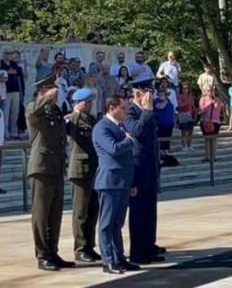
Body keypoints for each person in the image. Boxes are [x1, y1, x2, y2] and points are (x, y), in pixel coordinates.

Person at [25, 74, 74, 271]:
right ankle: (42, 254)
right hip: (41, 167)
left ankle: (53, 251)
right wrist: (44, 97)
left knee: (55, 213)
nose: (56, 92)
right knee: (41, 213)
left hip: (56, 166)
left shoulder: (54, 110)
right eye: (51, 88)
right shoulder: (33, 107)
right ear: (42, 90)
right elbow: (32, 114)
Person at [93, 96, 140, 274]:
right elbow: (113, 149)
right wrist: (129, 140)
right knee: (106, 223)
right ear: (111, 108)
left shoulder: (120, 126)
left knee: (117, 223)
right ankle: (108, 261)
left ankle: (119, 258)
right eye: (122, 108)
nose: (125, 111)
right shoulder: (102, 127)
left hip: (122, 181)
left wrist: (131, 181)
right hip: (109, 181)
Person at [123, 80, 166, 264]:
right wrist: (147, 111)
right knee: (139, 211)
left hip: (150, 167)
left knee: (150, 210)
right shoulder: (130, 112)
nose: (150, 96)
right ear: (137, 94)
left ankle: (149, 246)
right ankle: (137, 251)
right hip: (138, 168)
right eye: (146, 92)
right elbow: (137, 132)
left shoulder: (148, 112)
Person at [66, 88, 102, 262]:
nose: (90, 105)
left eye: (91, 102)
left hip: (94, 169)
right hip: (80, 169)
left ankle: (89, 245)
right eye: (87, 102)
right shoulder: (72, 119)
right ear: (78, 102)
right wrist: (74, 113)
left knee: (93, 210)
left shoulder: (92, 119)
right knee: (80, 212)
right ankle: (80, 248)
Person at [199, 84, 223, 162]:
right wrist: (209, 104)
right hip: (206, 121)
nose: (210, 92)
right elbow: (201, 110)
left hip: (215, 121)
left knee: (214, 139)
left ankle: (214, 156)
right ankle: (207, 156)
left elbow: (218, 110)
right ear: (206, 91)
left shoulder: (217, 100)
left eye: (211, 90)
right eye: (208, 90)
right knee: (207, 139)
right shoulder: (203, 99)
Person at [154, 86, 175, 156]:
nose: (162, 92)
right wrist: (165, 100)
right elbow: (160, 107)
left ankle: (167, 153)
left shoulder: (169, 100)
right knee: (161, 141)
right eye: (160, 91)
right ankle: (161, 155)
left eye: (163, 91)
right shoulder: (155, 101)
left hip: (169, 124)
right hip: (160, 125)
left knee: (167, 140)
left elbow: (172, 111)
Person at [177, 83, 196, 152]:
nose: (185, 90)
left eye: (186, 88)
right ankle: (184, 146)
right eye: (183, 88)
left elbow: (193, 106)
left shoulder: (190, 96)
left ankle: (189, 145)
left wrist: (195, 113)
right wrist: (188, 102)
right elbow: (179, 106)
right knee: (184, 131)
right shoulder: (179, 96)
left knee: (190, 131)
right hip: (183, 114)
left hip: (190, 115)